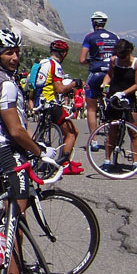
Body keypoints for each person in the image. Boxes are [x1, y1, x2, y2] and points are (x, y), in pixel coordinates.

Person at [0, 30, 58, 274]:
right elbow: (15, 130)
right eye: (8, 53)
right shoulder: (8, 84)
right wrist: (39, 151)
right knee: (16, 215)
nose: (15, 57)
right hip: (8, 151)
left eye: (16, 52)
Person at [35, 39, 83, 174]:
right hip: (52, 104)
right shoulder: (55, 65)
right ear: (64, 53)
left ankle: (64, 160)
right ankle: (64, 163)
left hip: (42, 103)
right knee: (72, 132)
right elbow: (60, 88)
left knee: (64, 132)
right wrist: (74, 84)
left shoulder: (42, 63)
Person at [100, 39, 137, 172]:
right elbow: (109, 74)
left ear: (129, 52)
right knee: (113, 129)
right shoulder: (114, 60)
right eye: (119, 56)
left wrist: (123, 93)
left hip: (128, 95)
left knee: (133, 131)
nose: (121, 59)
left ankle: (136, 162)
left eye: (123, 56)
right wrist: (104, 85)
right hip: (114, 94)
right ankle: (107, 159)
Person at [79, 11, 119, 151]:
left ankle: (94, 140)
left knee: (91, 108)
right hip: (112, 74)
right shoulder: (115, 37)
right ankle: (115, 137)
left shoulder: (90, 37)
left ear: (93, 23)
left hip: (96, 73)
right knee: (113, 104)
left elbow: (82, 59)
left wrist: (93, 60)